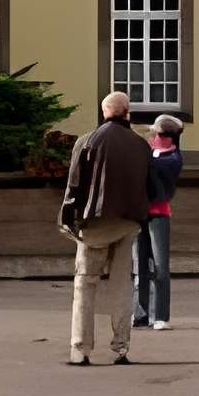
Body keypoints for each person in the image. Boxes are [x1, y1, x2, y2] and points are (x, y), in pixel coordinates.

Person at [56, 90, 151, 365]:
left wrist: (69, 220)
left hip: (94, 223)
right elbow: (151, 186)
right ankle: (121, 348)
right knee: (122, 285)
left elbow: (73, 185)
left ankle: (80, 349)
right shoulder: (140, 144)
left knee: (85, 285)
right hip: (129, 222)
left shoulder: (87, 141)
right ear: (127, 112)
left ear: (104, 111)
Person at [132, 114, 182, 330]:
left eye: (156, 133)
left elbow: (151, 174)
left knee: (160, 267)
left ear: (167, 138)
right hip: (140, 214)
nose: (151, 135)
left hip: (158, 215)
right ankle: (141, 313)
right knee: (139, 265)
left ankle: (160, 316)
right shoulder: (152, 155)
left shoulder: (171, 160)